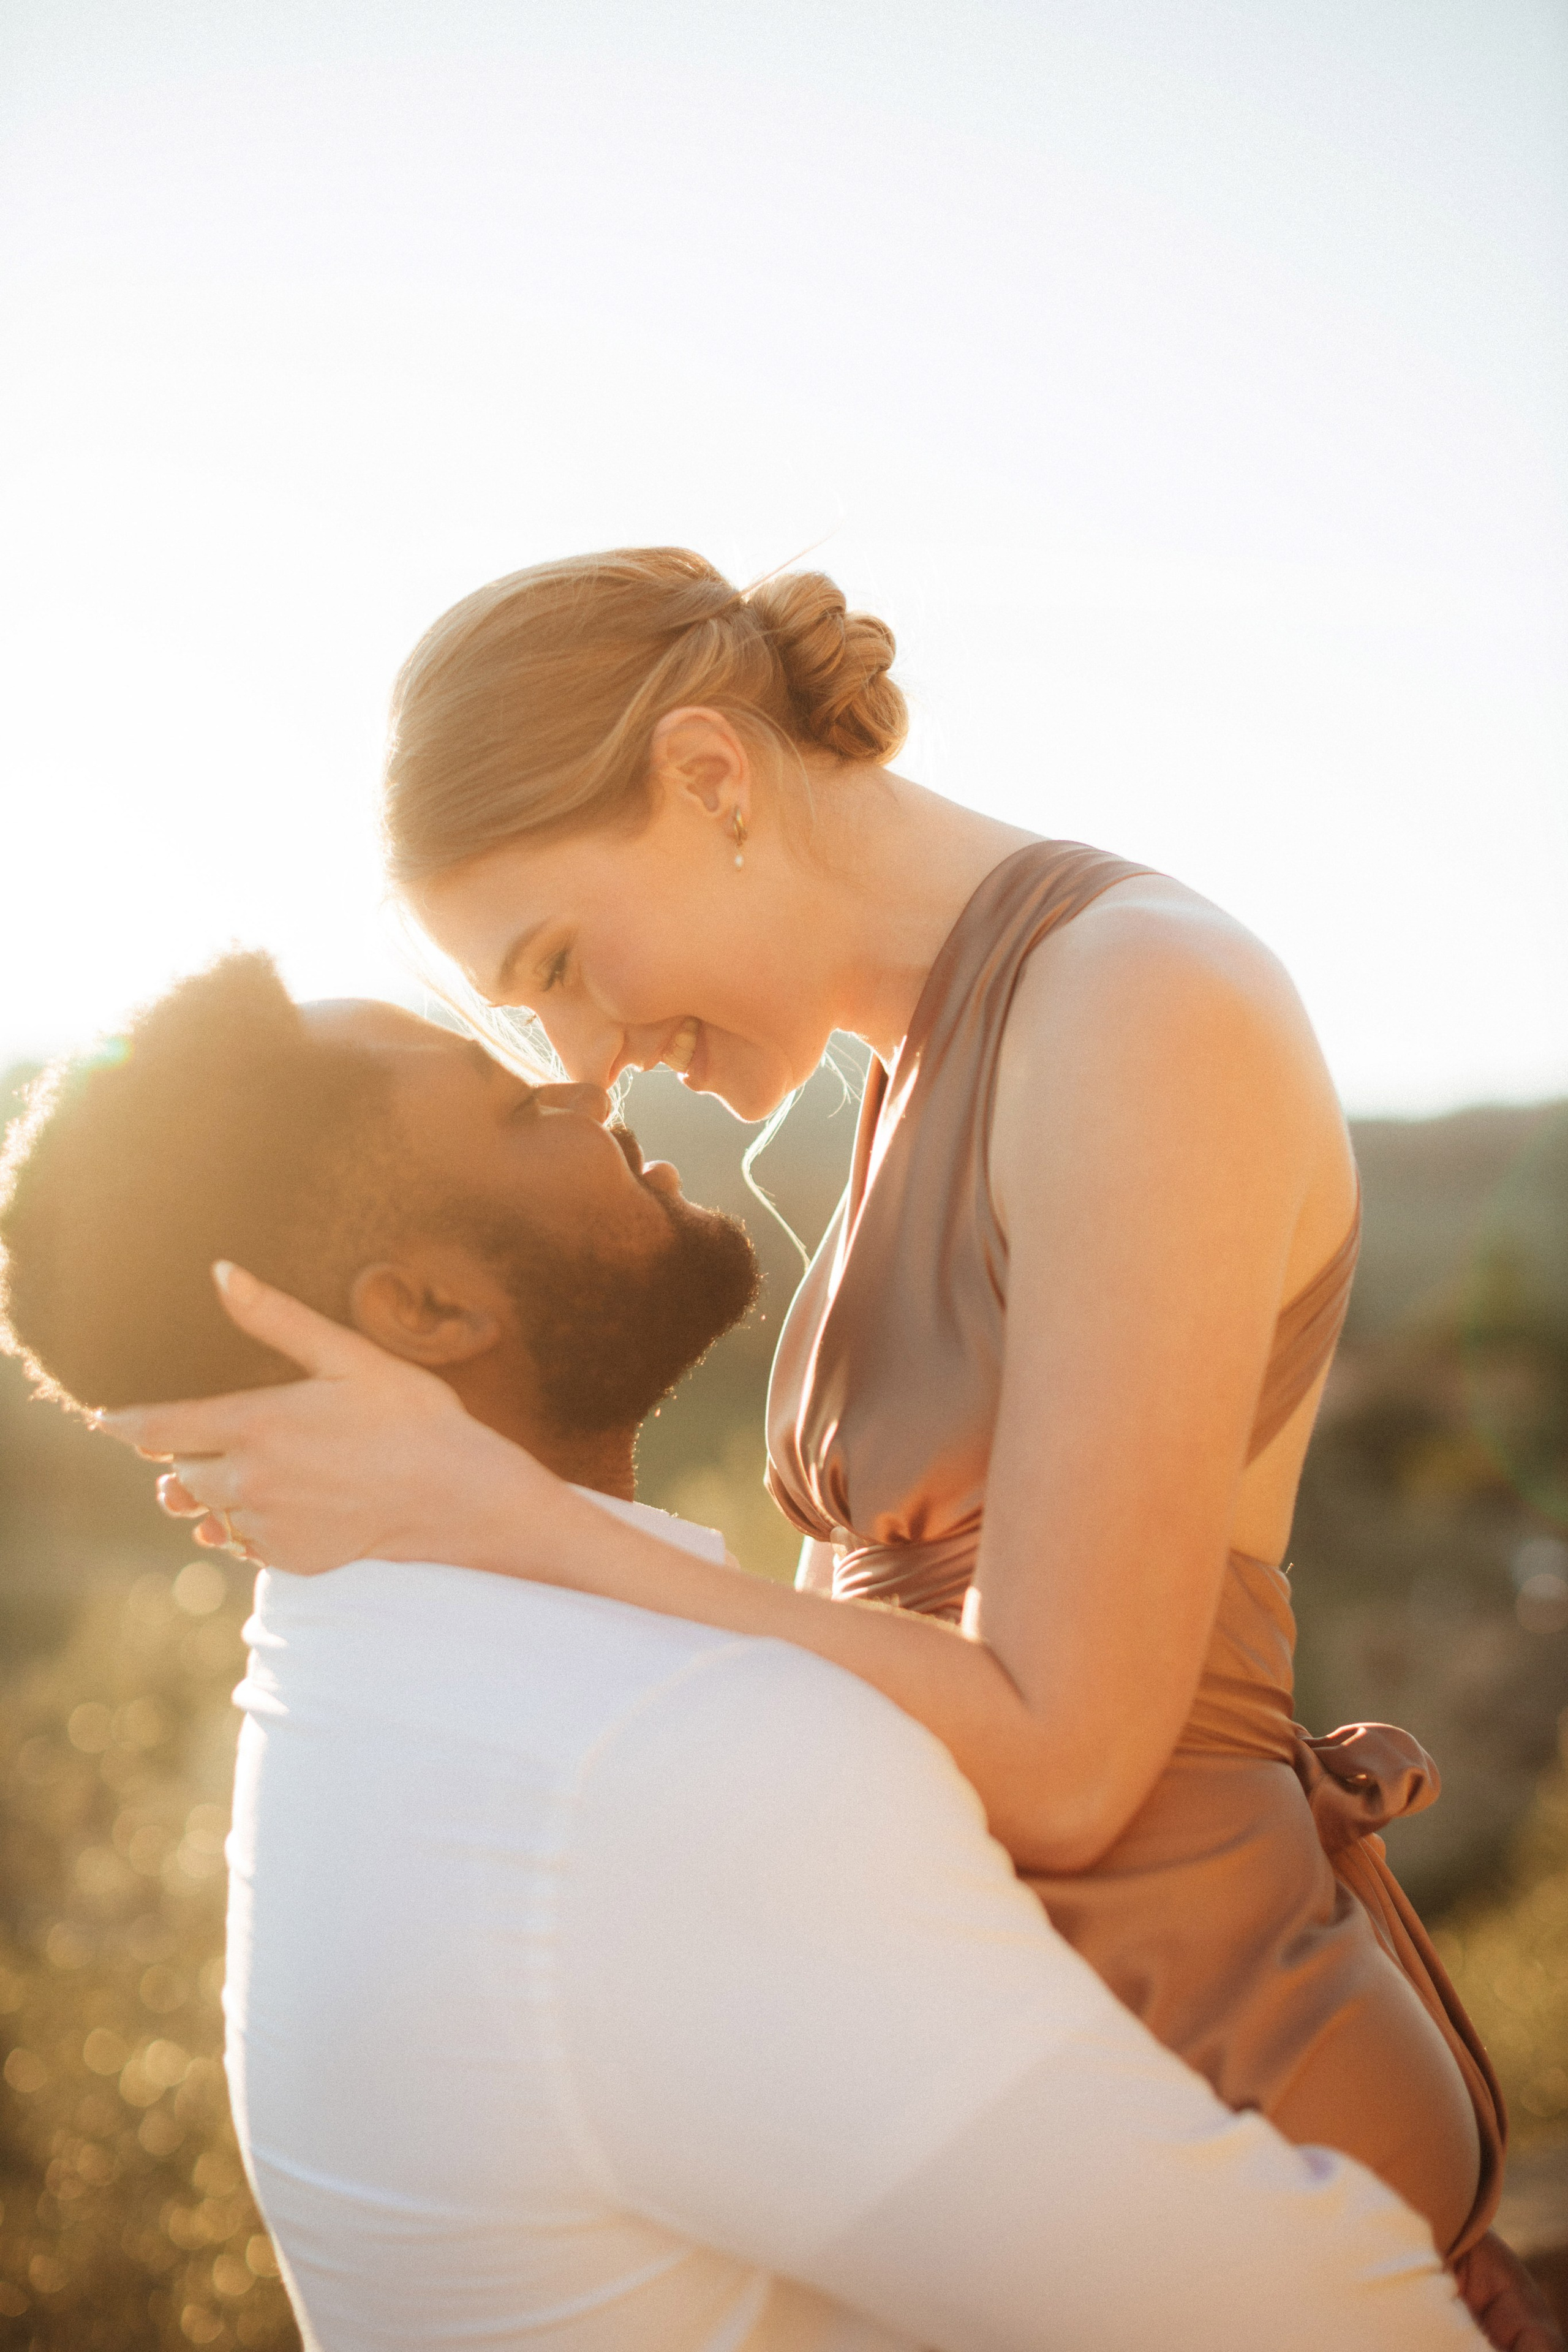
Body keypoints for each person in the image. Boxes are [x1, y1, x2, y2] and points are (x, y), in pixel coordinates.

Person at [88, 557, 1508, 2265]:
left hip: (1213, 2088)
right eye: (520, 1017)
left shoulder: (1138, 1004)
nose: (585, 1058)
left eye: (557, 960)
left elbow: (1065, 1763)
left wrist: (497, 1513)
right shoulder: (917, 1070)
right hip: (1028, 2093)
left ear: (710, 778)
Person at [0, 954, 1526, 2352]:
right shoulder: (651, 1771)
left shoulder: (378, 1692)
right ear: (429, 1309)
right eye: (521, 1100)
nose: (587, 1088)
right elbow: (1309, 2322)